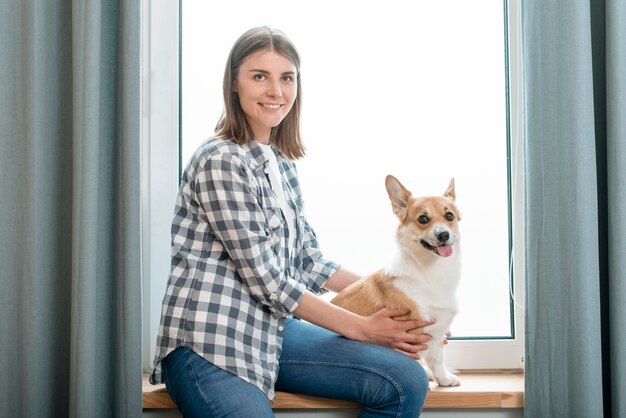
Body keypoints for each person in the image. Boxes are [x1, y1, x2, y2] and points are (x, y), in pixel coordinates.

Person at [150, 26, 434, 418]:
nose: (275, 91)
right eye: (259, 76)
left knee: (407, 379)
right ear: (234, 82)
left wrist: (410, 306)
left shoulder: (281, 165)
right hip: (211, 343)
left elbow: (308, 261)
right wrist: (361, 327)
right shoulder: (220, 160)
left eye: (286, 78)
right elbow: (268, 281)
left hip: (272, 334)